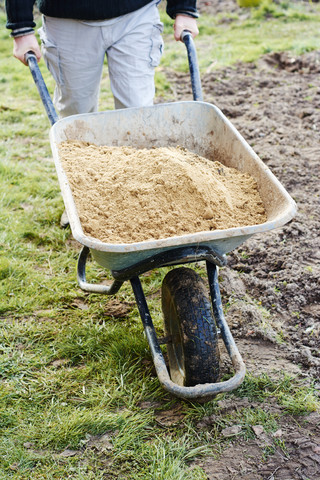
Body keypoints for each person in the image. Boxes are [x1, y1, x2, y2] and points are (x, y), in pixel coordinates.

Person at [5, 1, 199, 116]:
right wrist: (20, 26)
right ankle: (83, 181)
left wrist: (184, 7)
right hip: (67, 19)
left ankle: (136, 182)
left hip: (136, 16)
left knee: (137, 110)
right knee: (77, 112)